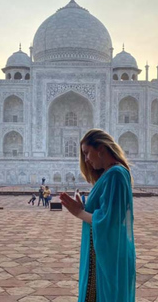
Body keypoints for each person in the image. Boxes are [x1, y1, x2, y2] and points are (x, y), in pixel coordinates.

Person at [59, 129, 135, 302]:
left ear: (100, 148)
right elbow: (108, 213)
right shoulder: (112, 174)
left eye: (87, 153)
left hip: (103, 254)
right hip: (105, 248)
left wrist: (79, 212)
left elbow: (108, 221)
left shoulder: (115, 174)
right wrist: (84, 208)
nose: (86, 159)